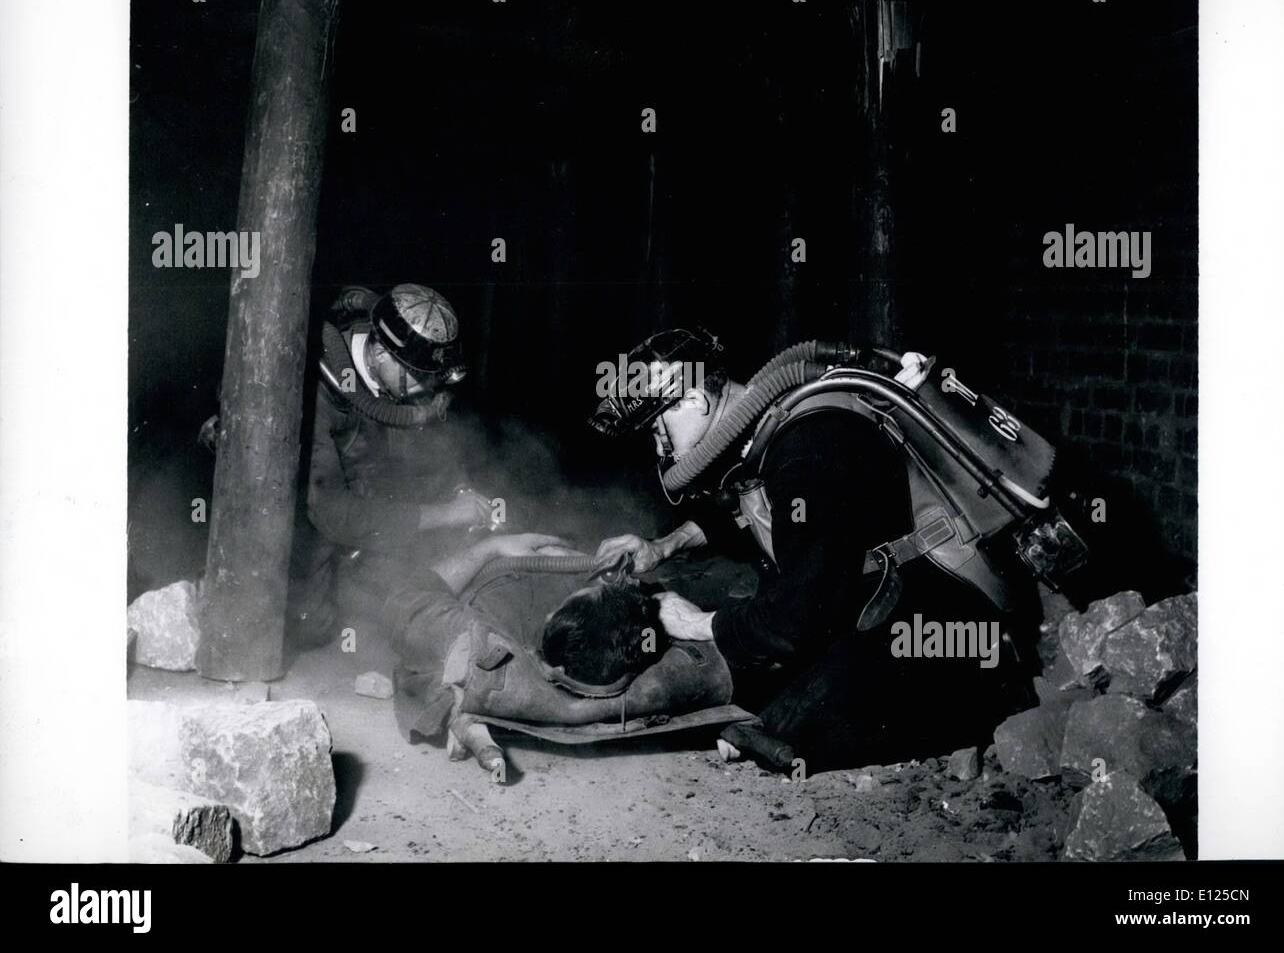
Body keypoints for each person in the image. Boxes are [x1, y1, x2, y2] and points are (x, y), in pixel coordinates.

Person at [589, 329, 1028, 772]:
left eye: (656, 427)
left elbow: (800, 611)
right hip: (886, 592)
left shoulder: (806, 448)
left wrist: (700, 624)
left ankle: (996, 688)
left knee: (785, 729)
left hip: (947, 610)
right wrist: (661, 547)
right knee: (761, 692)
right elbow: (754, 511)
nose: (659, 444)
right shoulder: (775, 422)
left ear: (694, 403)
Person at [288, 283, 497, 646]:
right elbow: (331, 512)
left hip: (373, 503)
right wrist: (447, 514)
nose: (427, 389)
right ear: (380, 353)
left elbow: (436, 450)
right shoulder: (319, 393)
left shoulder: (405, 378)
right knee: (312, 626)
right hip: (312, 516)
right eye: (420, 375)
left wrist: (460, 489)